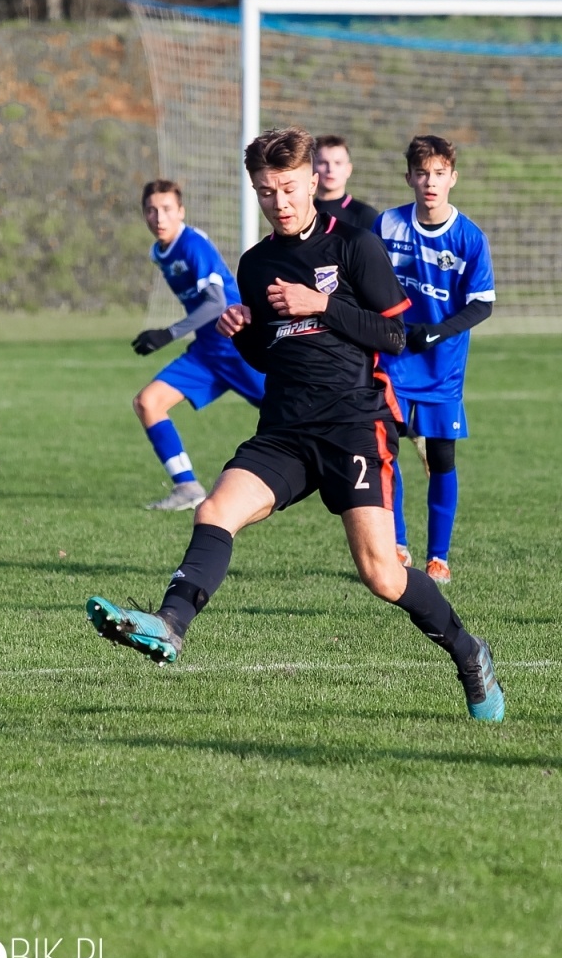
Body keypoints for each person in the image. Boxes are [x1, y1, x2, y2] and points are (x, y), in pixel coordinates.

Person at [85, 126, 503, 722]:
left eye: (286, 188)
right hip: (284, 428)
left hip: (355, 424)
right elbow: (270, 351)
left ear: (312, 181)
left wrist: (321, 304)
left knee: (384, 574)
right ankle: (169, 625)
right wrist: (244, 332)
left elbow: (394, 335)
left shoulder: (357, 245)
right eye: (264, 192)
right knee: (215, 511)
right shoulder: (254, 264)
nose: (277, 202)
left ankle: (469, 653)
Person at [376, 135, 496, 582]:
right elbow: (364, 281)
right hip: (391, 359)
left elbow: (482, 303)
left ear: (453, 179)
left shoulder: (468, 238)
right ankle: (398, 545)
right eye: (422, 173)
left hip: (442, 367)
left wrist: (438, 331)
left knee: (442, 459)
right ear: (409, 177)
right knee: (384, 450)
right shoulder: (387, 226)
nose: (430, 182)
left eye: (439, 173)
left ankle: (439, 556)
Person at [131, 180, 266, 511]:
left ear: (181, 212)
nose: (158, 217)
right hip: (207, 353)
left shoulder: (192, 244)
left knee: (295, 415)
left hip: (238, 345)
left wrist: (169, 333)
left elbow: (218, 303)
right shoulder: (159, 251)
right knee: (148, 402)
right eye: (151, 210)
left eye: (166, 210)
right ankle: (187, 487)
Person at [313, 134, 380, 229]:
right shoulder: (302, 213)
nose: (330, 169)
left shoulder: (365, 215)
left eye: (338, 163)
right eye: (323, 162)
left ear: (348, 170)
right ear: (312, 168)